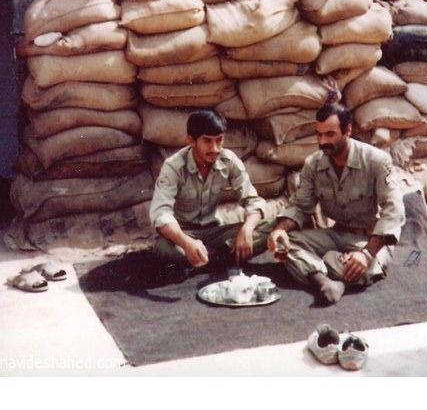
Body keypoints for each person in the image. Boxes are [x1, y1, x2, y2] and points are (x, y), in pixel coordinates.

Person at [267, 102, 405, 305]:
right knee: (288, 243)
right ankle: (324, 281)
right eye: (319, 134)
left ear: (347, 130)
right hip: (335, 234)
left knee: (361, 265)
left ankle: (324, 270)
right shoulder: (313, 164)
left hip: (367, 240)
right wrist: (280, 230)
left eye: (330, 134)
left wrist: (367, 254)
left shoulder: (376, 161)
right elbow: (300, 206)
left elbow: (393, 211)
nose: (323, 141)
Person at [149, 109, 269, 280]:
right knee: (164, 249)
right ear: (191, 141)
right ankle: (222, 258)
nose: (215, 148)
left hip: (214, 232)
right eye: (207, 141)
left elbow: (253, 201)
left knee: (269, 226)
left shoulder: (228, 160)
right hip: (183, 233)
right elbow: (160, 214)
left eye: (219, 140)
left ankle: (203, 260)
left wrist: (247, 230)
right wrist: (186, 243)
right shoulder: (174, 166)